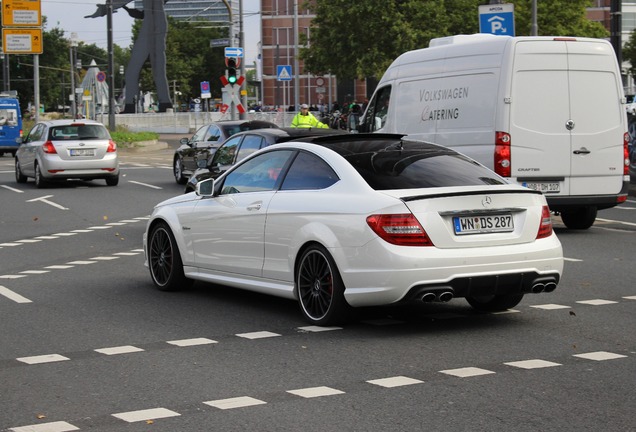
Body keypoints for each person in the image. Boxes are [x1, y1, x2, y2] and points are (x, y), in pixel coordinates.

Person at [87, 0, 172, 113]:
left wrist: (106, 8)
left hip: (153, 26)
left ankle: (132, 105)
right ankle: (163, 103)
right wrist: (139, 13)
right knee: (156, 69)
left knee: (138, 70)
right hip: (155, 23)